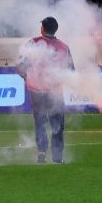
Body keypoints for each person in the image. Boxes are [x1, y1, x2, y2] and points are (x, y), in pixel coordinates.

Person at [17, 17, 74, 164]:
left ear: (42, 28)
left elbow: (20, 64)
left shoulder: (32, 43)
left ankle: (41, 154)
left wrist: (27, 77)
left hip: (37, 90)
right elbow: (71, 70)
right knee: (57, 124)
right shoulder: (64, 47)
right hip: (56, 91)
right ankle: (57, 157)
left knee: (40, 123)